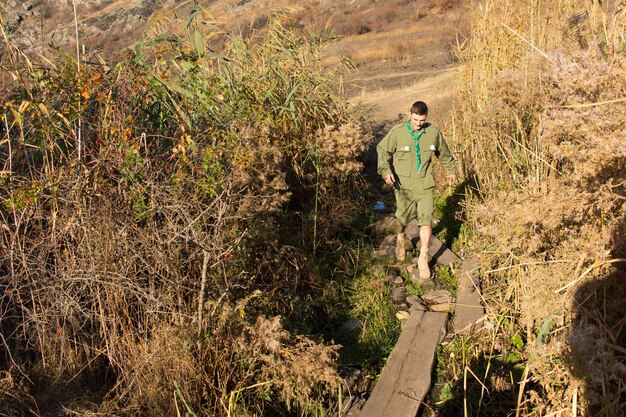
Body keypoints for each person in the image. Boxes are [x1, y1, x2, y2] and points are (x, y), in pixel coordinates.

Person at [377, 101, 456, 279]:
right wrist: (386, 171)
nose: (418, 123)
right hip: (403, 186)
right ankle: (400, 236)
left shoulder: (432, 133)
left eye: (422, 120)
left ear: (426, 117)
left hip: (425, 184)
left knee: (426, 219)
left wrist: (450, 170)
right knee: (403, 217)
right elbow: (382, 151)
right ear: (409, 115)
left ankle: (423, 258)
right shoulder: (398, 133)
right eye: (415, 119)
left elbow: (444, 153)